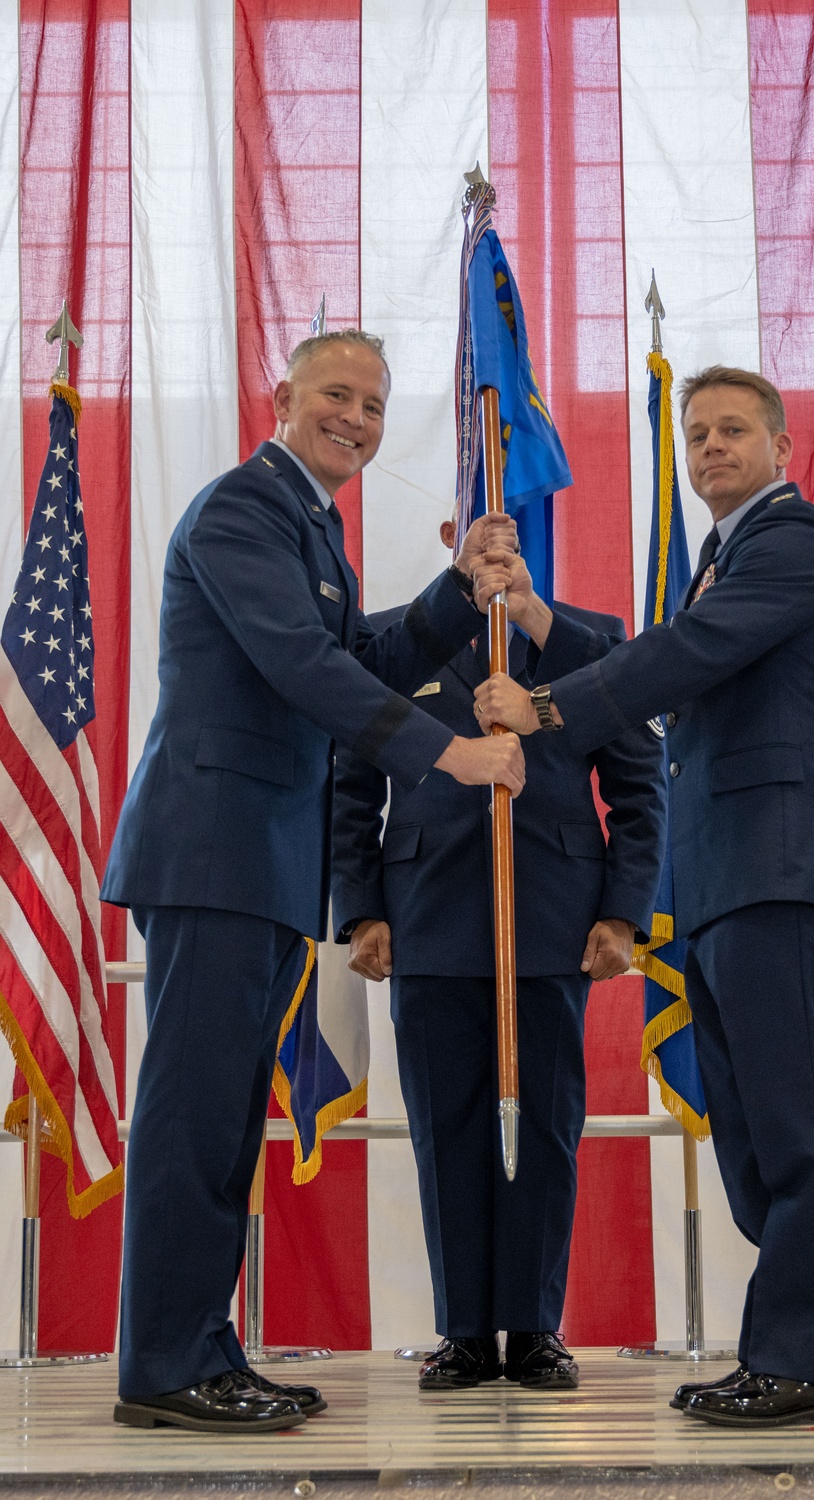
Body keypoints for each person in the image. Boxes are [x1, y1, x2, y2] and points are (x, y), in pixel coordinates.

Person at [101, 330, 525, 1433]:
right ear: (282, 396)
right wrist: (450, 753)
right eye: (337, 394)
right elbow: (303, 664)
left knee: (228, 1121)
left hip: (261, 864)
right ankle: (163, 1365)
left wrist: (452, 589)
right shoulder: (245, 507)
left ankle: (202, 1349)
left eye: (375, 405)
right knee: (197, 1119)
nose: (358, 418)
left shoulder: (309, 526)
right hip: (215, 851)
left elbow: (360, 657)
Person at [474, 367, 814, 1429]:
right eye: (696, 432)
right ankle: (786, 1346)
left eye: (732, 430)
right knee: (750, 1133)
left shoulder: (789, 542)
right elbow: (656, 655)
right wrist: (533, 616)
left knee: (797, 1124)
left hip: (779, 868)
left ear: (782, 448)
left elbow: (683, 654)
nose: (707, 446)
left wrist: (545, 703)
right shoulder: (723, 558)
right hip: (723, 878)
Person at [330, 515, 667, 1392]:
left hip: (555, 922)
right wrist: (361, 907)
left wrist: (624, 916)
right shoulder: (400, 642)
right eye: (480, 542)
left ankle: (535, 1326)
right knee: (449, 1129)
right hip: (428, 918)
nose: (494, 558)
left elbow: (640, 791)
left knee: (546, 1128)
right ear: (453, 543)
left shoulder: (591, 645)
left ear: (527, 553)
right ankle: (467, 1333)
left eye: (508, 543)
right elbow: (352, 780)